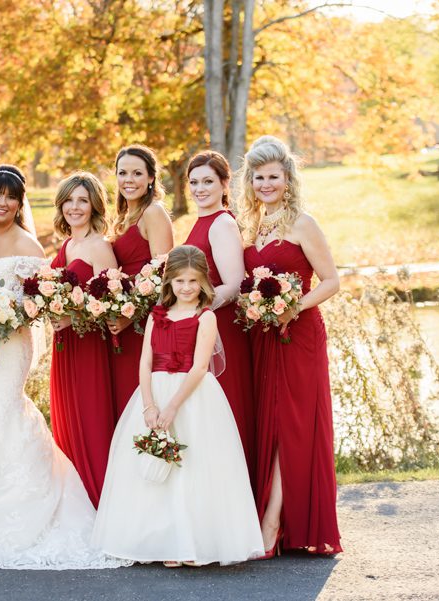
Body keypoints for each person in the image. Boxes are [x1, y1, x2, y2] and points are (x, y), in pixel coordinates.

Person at [0, 166, 126, 570]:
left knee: (3, 407)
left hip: (8, 343)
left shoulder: (29, 246)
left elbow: (36, 303)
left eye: (10, 197)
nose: (1, 203)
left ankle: (16, 500)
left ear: (21, 204)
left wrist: (3, 320)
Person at [92, 245, 263, 566]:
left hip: (192, 395)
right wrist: (149, 406)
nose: (186, 287)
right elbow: (144, 363)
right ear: (169, 282)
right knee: (155, 468)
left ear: (203, 283)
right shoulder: (158, 317)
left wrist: (171, 407)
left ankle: (192, 544)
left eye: (193, 281)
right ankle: (163, 544)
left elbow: (200, 367)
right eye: (180, 280)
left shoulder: (206, 317)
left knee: (193, 467)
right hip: (154, 393)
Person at [238, 135, 342, 556]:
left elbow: (332, 281)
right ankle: (275, 517)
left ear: (287, 178)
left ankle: (274, 521)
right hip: (262, 338)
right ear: (251, 181)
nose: (266, 184)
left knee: (292, 424)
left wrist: (291, 307)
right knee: (269, 421)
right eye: (259, 177)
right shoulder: (251, 225)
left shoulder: (303, 223)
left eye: (273, 177)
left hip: (298, 335)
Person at [183, 151, 256, 482]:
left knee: (226, 413)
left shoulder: (222, 223)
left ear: (225, 184)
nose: (200, 188)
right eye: (194, 182)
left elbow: (235, 284)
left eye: (208, 181)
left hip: (222, 330)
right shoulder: (201, 221)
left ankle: (237, 495)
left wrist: (200, 309)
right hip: (206, 331)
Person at [48, 172, 118, 507]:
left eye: (83, 200)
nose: (75, 207)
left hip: (89, 346)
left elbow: (113, 306)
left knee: (90, 422)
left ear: (94, 206)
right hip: (64, 349)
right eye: (69, 200)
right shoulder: (67, 245)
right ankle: (75, 502)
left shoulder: (100, 247)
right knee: (65, 424)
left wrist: (73, 316)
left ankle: (100, 501)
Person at [109, 145, 174, 418]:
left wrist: (130, 316)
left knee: (140, 398)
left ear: (150, 178)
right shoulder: (122, 217)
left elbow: (164, 275)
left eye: (137, 173)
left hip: (143, 325)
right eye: (123, 173)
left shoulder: (153, 213)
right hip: (121, 321)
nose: (129, 180)